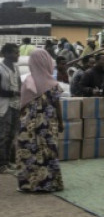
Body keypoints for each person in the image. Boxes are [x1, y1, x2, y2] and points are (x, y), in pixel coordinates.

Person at [16, 49, 64, 192]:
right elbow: (57, 104)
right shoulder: (52, 84)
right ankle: (48, 183)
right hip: (47, 124)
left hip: (28, 124)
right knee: (48, 151)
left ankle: (29, 184)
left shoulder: (27, 81)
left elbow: (22, 104)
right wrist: (61, 122)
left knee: (28, 151)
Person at [0, 44, 21, 173]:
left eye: (18, 53)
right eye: (15, 53)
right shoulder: (1, 69)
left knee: (12, 135)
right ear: (6, 54)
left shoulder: (16, 68)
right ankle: (1, 165)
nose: (17, 55)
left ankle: (7, 162)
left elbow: (20, 84)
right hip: (4, 106)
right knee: (3, 135)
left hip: (15, 105)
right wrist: (13, 93)